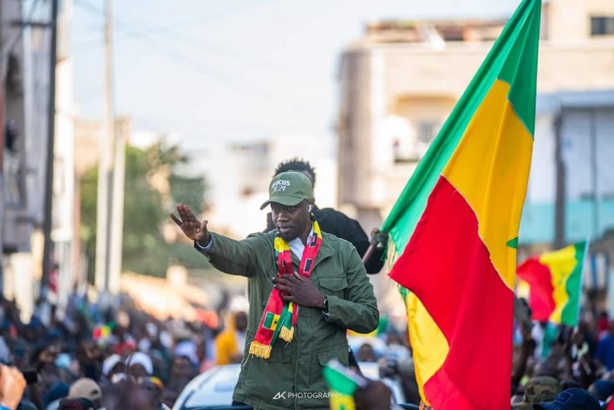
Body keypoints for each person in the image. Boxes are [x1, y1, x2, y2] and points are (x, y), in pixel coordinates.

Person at [171, 171, 379, 409]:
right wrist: (205, 240)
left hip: (321, 395)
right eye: (275, 209)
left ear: (309, 205)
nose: (280, 217)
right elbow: (235, 252)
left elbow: (369, 317)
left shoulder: (343, 252)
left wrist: (322, 301)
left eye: (289, 209)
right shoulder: (262, 247)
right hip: (266, 395)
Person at [265, 158, 388, 274]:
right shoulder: (263, 242)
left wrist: (377, 247)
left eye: (305, 185)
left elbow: (370, 265)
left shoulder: (337, 223)